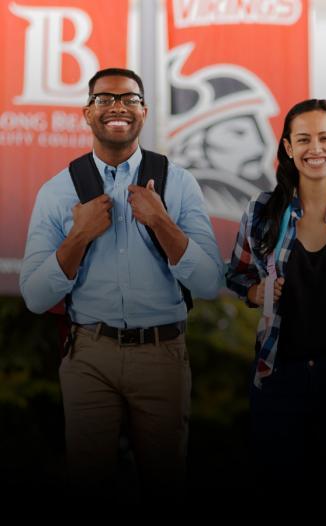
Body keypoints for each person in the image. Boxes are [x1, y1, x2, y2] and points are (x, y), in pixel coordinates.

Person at [19, 68, 224, 498]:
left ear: (144, 112)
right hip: (90, 354)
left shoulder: (178, 183)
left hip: (162, 354)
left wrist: (161, 220)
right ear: (87, 113)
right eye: (105, 99)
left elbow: (208, 283)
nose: (118, 107)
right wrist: (79, 235)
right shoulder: (57, 192)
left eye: (129, 99)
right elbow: (36, 297)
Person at [225, 99, 326, 501]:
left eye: (325, 138)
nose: (316, 148)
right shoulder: (262, 211)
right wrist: (256, 291)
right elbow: (238, 274)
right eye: (304, 139)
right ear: (288, 148)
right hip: (278, 375)